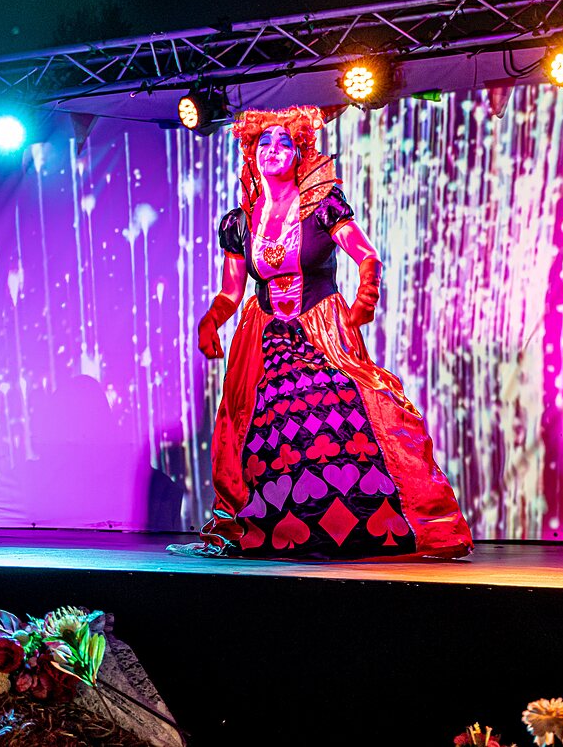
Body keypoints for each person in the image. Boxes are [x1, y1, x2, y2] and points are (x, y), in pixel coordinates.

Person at [172, 105, 473, 559]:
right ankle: (281, 530)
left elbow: (367, 255)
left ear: (299, 153)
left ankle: (376, 528)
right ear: (251, 153)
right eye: (264, 143)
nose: (273, 151)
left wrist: (365, 297)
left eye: (284, 143)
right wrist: (212, 320)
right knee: (262, 423)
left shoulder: (322, 204)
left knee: (347, 410)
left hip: (321, 325)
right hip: (267, 331)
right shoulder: (240, 222)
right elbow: (232, 291)